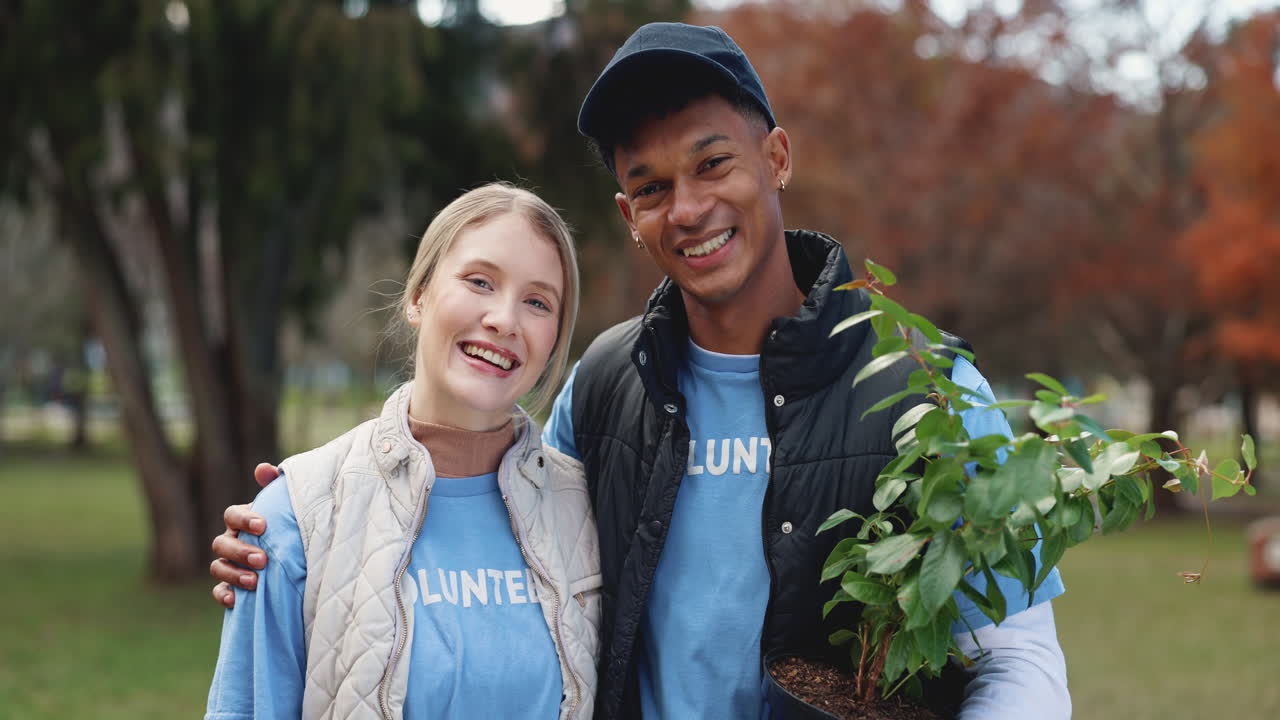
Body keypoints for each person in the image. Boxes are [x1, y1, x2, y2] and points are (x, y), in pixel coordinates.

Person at [211, 23, 1070, 720]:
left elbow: (1019, 665)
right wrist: (297, 533)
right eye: (651, 187)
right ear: (629, 215)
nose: (688, 209)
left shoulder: (927, 390)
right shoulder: (609, 382)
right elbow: (508, 526)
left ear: (775, 158)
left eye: (713, 163)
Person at [204, 182, 600, 720]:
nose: (505, 320)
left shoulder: (587, 509)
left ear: (555, 335)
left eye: (537, 302)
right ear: (418, 297)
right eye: (479, 281)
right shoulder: (298, 512)